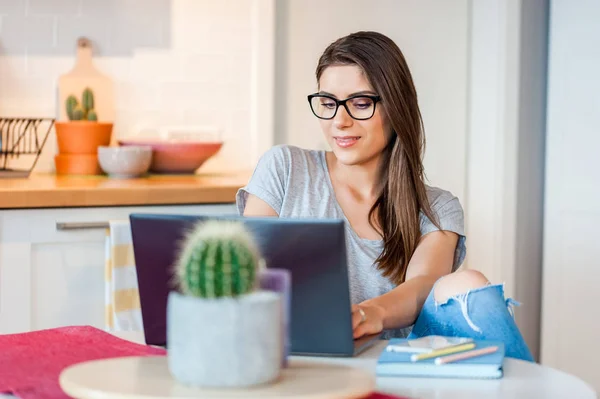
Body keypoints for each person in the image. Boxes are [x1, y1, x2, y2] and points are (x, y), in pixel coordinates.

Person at [236, 31, 533, 361]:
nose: (340, 121)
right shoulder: (285, 168)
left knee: (467, 283)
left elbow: (423, 286)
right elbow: (249, 269)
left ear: (395, 107)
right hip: (296, 357)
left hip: (395, 365)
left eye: (361, 104)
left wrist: (366, 314)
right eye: (328, 103)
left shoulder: (436, 208)